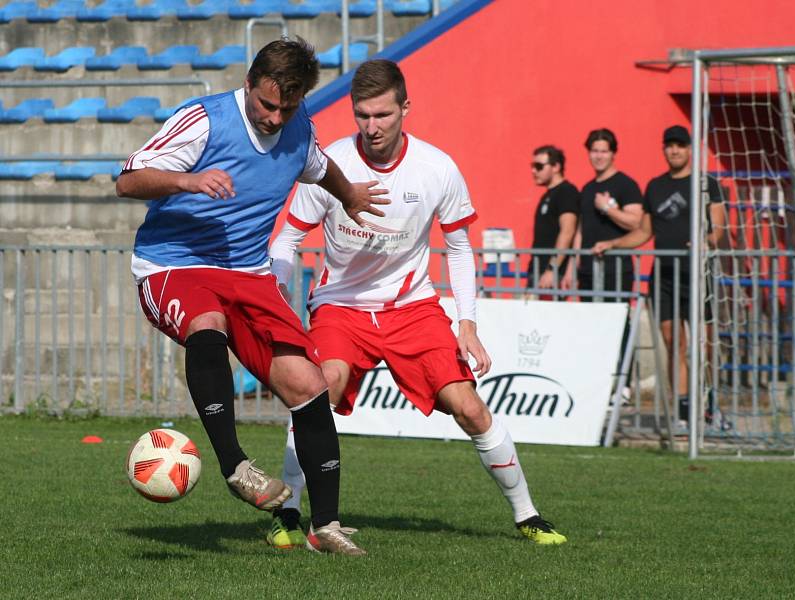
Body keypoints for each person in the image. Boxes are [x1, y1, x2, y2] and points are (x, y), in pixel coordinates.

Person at [267, 59, 567, 549]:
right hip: (341, 308)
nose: (372, 126)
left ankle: (528, 516)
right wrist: (280, 288)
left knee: (468, 407)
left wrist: (466, 324)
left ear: (405, 108)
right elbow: (287, 240)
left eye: (383, 114)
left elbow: (461, 248)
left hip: (413, 308)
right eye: (362, 115)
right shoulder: (328, 164)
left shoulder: (437, 167)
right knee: (320, 389)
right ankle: (289, 511)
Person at [116, 38, 389, 556]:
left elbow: (316, 164)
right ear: (249, 84)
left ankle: (326, 527)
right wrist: (186, 180)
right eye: (267, 104)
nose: (274, 117)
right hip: (174, 263)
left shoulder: (298, 127)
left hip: (249, 274)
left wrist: (350, 192)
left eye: (286, 107)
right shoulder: (205, 120)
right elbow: (127, 182)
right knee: (208, 321)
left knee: (309, 385)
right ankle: (236, 467)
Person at [592, 125, 726, 427]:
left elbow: (719, 228)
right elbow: (643, 231)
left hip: (699, 275)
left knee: (705, 343)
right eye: (669, 145)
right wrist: (612, 243)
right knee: (673, 341)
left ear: (690, 148)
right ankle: (681, 411)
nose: (674, 150)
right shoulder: (655, 186)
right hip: (664, 275)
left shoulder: (707, 183)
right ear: (664, 149)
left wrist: (706, 240)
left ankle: (712, 403)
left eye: (680, 145)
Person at [564, 128, 643, 298]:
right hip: (587, 270)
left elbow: (636, 223)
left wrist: (608, 209)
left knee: (617, 323)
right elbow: (580, 232)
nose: (599, 156)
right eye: (594, 151)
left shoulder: (626, 185)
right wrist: (572, 269)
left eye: (604, 151)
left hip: (616, 270)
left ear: (613, 153)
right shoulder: (587, 189)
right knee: (589, 323)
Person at [524, 145, 579, 293]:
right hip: (537, 270)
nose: (534, 171)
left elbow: (567, 231)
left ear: (556, 167)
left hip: (551, 275)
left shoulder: (566, 192)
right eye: (533, 166)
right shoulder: (548, 194)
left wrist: (551, 269)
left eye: (539, 166)